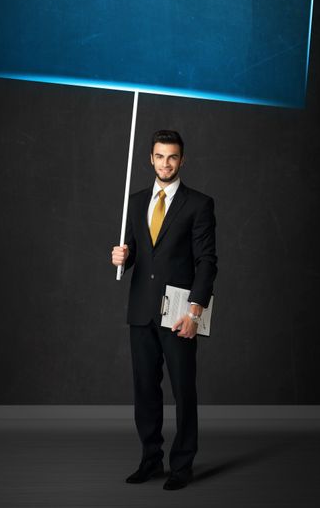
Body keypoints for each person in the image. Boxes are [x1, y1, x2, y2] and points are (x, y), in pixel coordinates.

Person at [112, 129, 217, 490]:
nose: (166, 163)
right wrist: (121, 259)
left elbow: (206, 262)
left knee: (183, 390)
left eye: (172, 157)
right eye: (159, 156)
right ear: (150, 159)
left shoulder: (199, 204)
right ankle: (149, 459)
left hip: (179, 313)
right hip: (141, 311)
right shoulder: (136, 199)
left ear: (181, 160)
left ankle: (182, 465)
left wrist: (195, 311)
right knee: (145, 389)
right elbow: (136, 256)